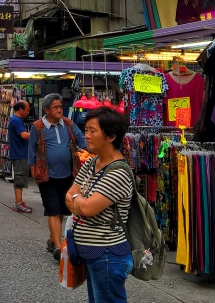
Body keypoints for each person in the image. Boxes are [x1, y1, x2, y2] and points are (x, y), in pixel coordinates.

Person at [66, 106, 134, 303]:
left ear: (111, 136)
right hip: (92, 253)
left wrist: (78, 200)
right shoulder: (91, 163)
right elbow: (68, 195)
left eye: (92, 131)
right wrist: (80, 200)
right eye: (85, 130)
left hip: (107, 254)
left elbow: (87, 208)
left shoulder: (118, 173)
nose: (86, 135)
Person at [28, 93, 85, 261]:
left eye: (61, 107)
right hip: (47, 176)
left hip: (68, 175)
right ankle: (59, 248)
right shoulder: (37, 127)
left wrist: (83, 150)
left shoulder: (68, 124)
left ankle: (53, 240)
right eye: (56, 107)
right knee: (53, 210)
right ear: (46, 109)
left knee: (61, 209)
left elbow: (81, 140)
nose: (60, 110)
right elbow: (31, 152)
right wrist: (34, 172)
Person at [8, 101, 33, 213]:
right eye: (27, 109)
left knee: (21, 177)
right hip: (19, 153)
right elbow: (24, 135)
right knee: (19, 177)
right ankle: (18, 203)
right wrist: (37, 134)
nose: (28, 111)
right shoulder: (16, 121)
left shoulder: (16, 120)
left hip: (20, 153)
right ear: (21, 109)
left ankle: (19, 202)